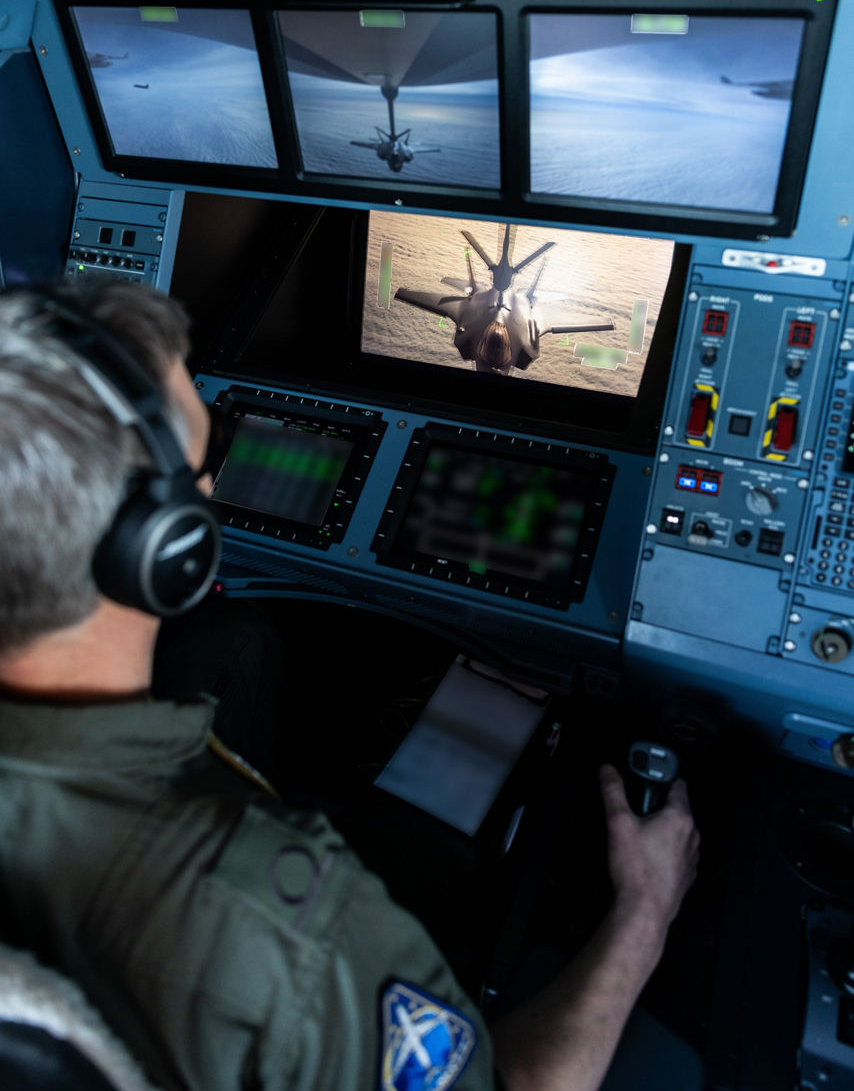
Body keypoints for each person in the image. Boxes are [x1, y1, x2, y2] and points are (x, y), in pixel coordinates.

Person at [0, 279, 700, 1091]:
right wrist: (646, 911)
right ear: (168, 546)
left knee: (238, 640)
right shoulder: (288, 926)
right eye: (209, 459)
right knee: (447, 811)